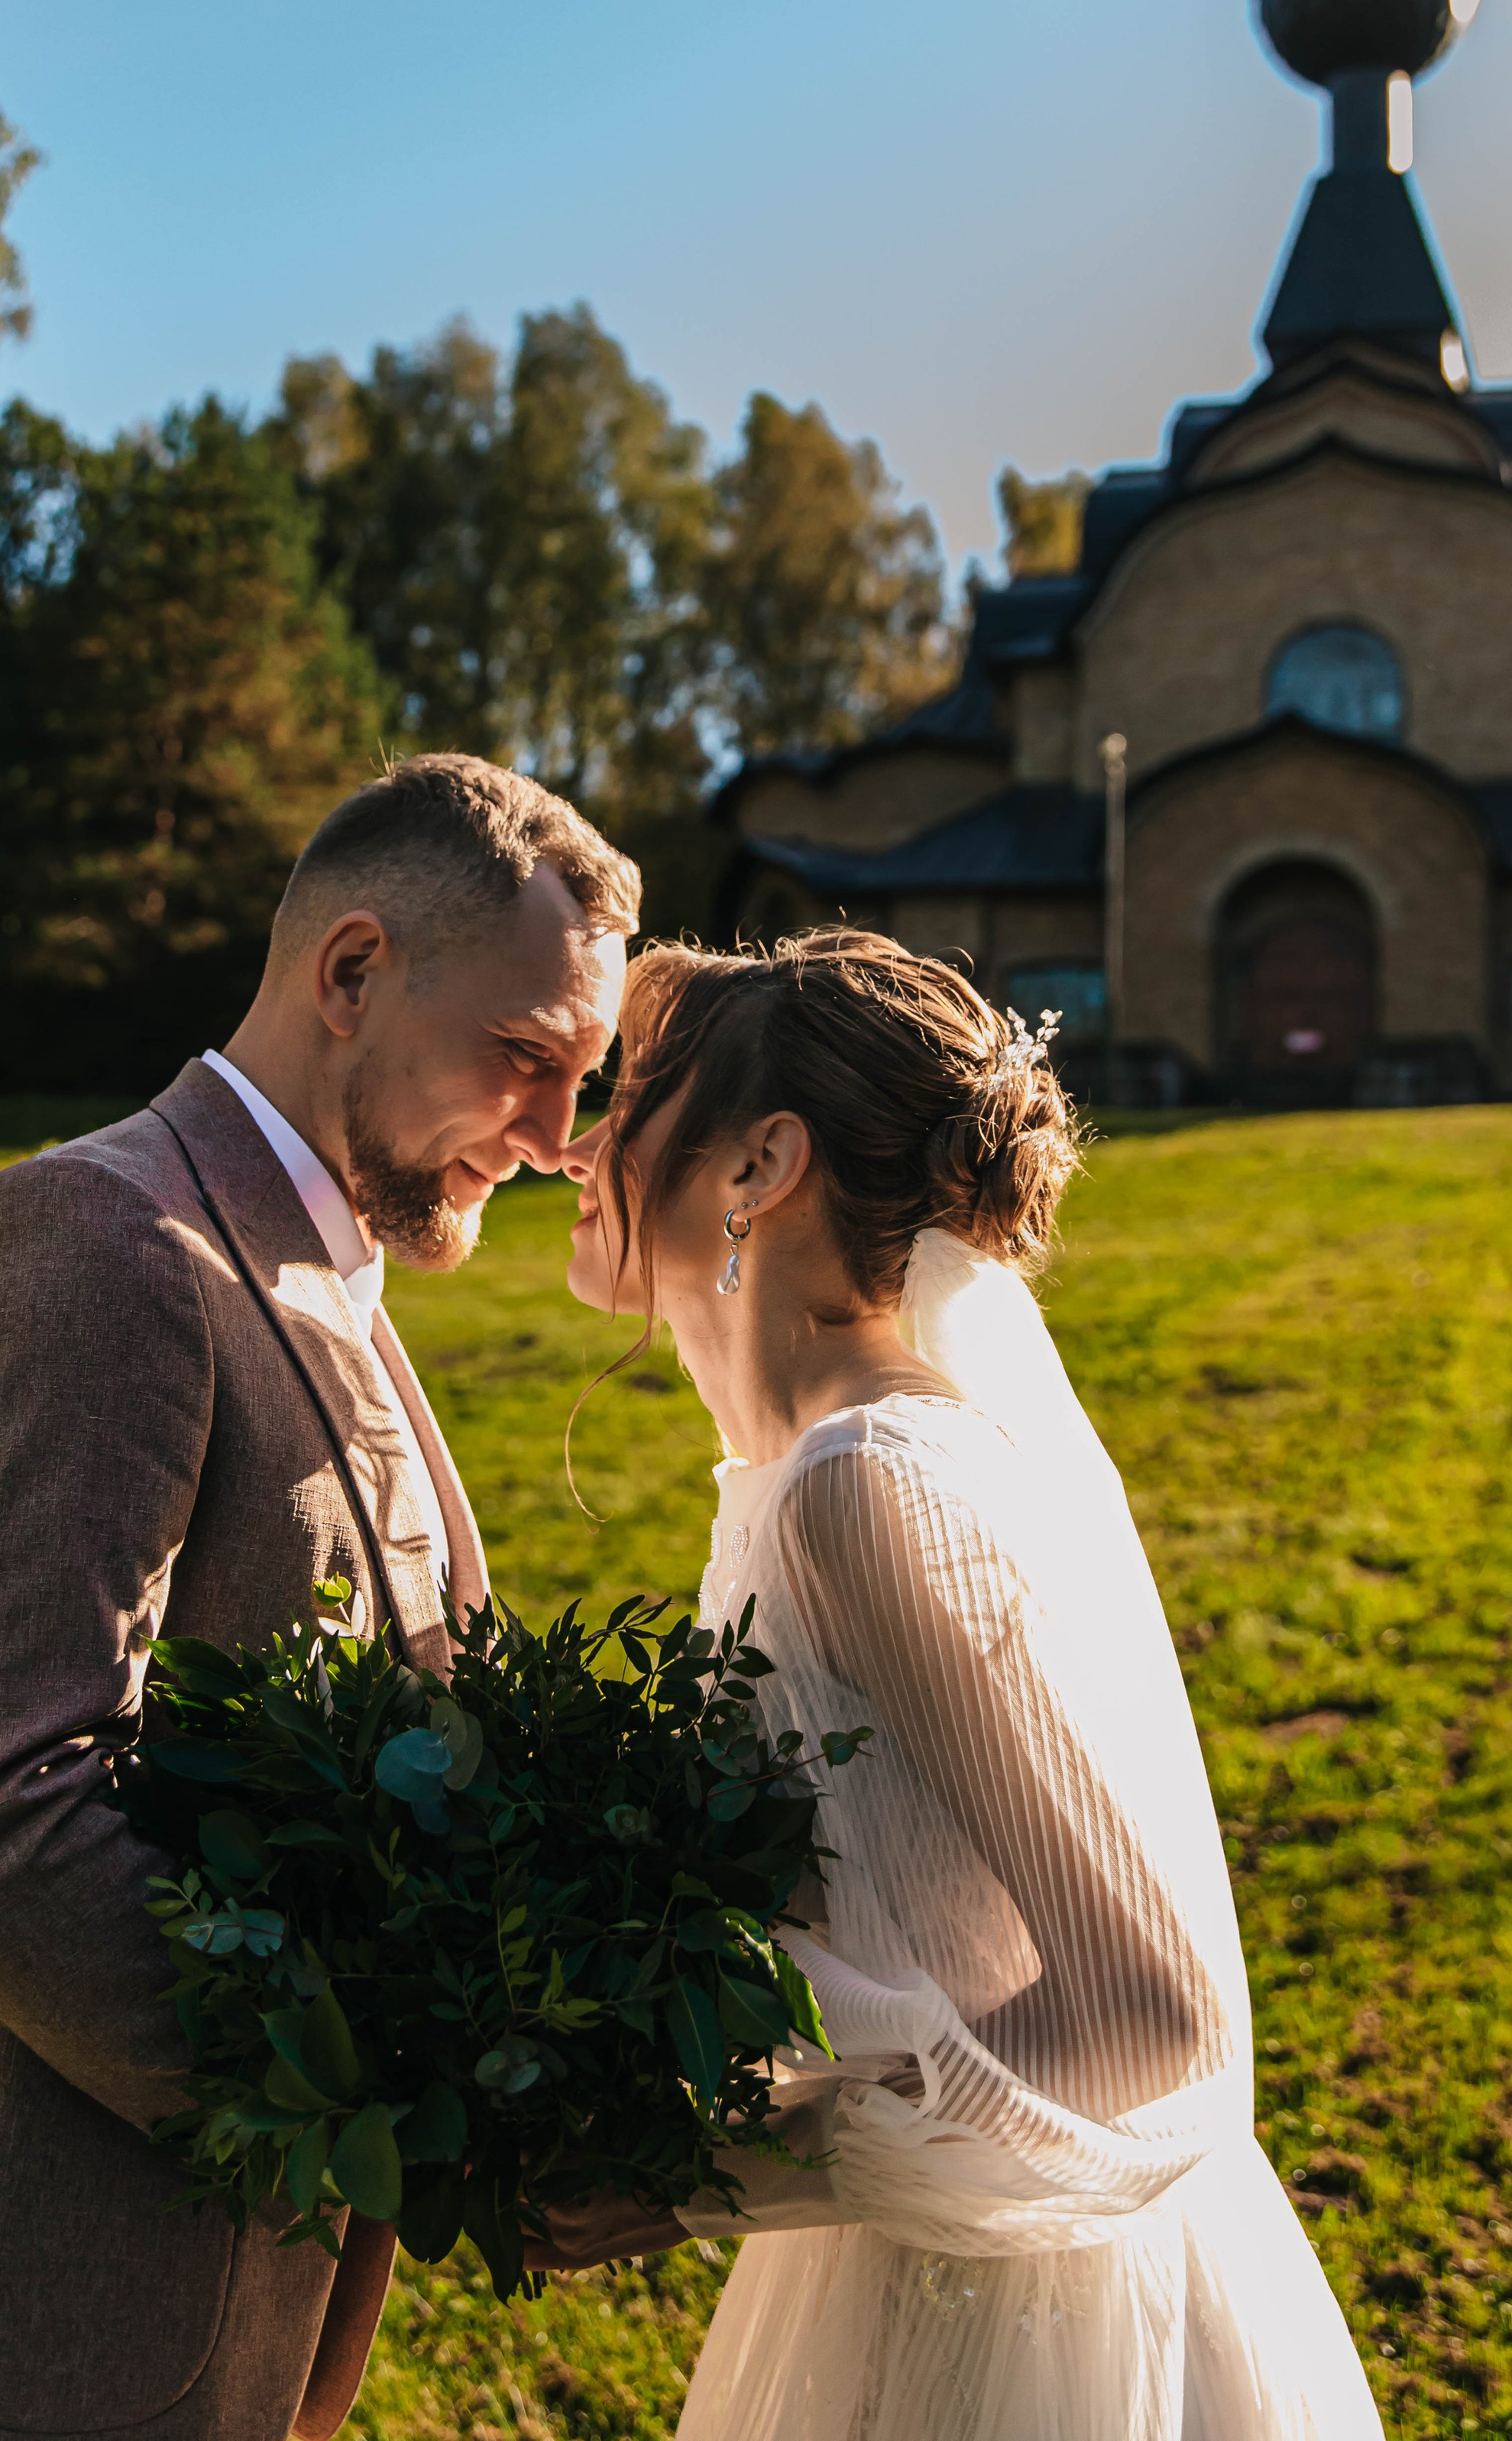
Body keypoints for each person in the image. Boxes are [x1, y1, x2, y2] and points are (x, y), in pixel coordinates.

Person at [0, 755, 636, 2441]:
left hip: (215, 2331)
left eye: (576, 1082)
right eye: (528, 1061)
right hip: (35, 2333)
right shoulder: (101, 1243)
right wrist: (383, 2097)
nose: (546, 1142)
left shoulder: (327, 1274)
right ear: (353, 969)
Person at [539, 928, 1382, 2441]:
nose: (578, 1145)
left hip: (1033, 2306)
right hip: (945, 2231)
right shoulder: (805, 1464)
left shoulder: (861, 1482)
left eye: (631, 1101)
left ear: (756, 1166)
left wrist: (707, 2179)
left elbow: (1154, 2014)